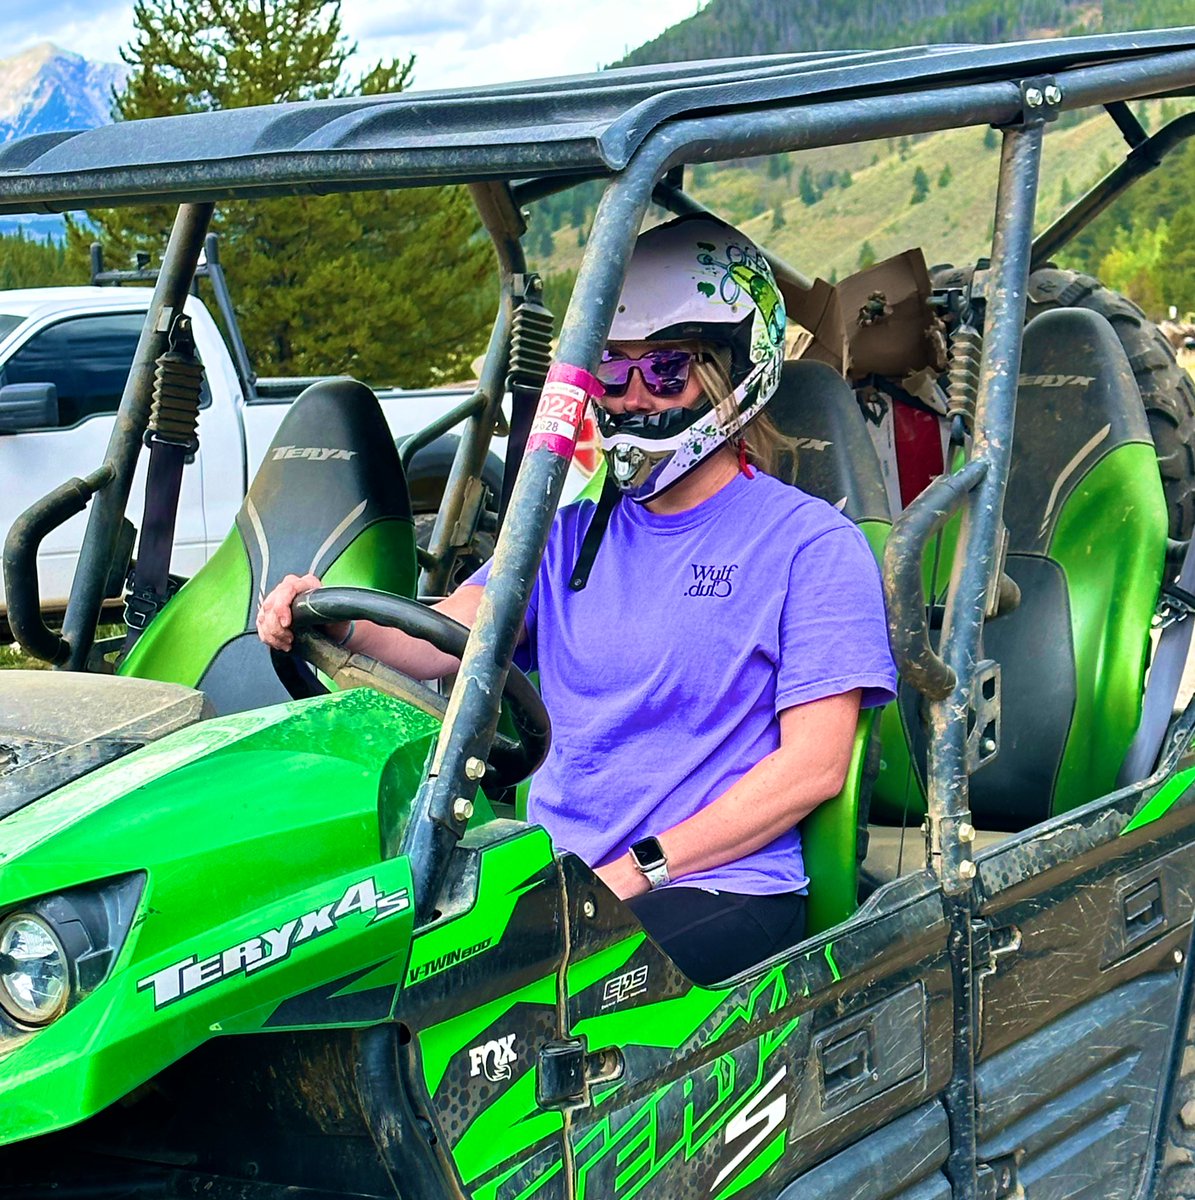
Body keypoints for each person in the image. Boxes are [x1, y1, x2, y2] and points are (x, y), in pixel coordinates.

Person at [258, 215, 897, 985]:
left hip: (711, 886)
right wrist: (340, 617)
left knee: (510, 1013)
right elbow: (452, 637)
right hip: (559, 881)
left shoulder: (809, 548)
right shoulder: (564, 535)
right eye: (610, 370)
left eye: (664, 370)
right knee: (365, 978)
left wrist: (639, 869)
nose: (630, 397)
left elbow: (813, 769)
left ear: (734, 371)